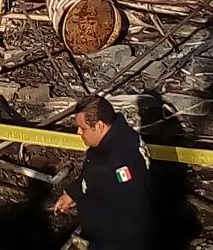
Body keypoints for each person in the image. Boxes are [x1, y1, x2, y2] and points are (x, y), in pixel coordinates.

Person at [54, 95, 155, 250]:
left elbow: (128, 217)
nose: (78, 132)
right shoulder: (123, 135)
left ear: (100, 125)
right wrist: (74, 194)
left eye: (83, 128)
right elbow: (90, 178)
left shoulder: (111, 162)